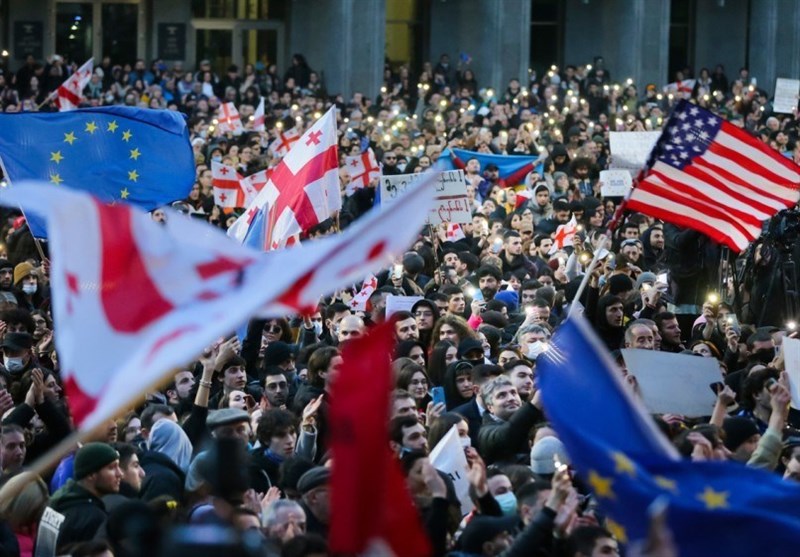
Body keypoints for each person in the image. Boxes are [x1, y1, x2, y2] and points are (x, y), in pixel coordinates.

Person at [48, 443, 122, 550]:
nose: (120, 474)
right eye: (111, 468)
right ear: (91, 475)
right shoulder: (94, 519)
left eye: (118, 466)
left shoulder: (56, 504)